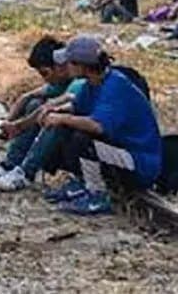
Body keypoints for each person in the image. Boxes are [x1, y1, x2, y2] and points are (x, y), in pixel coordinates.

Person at [37, 36, 161, 214]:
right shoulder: (93, 83)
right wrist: (54, 109)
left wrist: (62, 118)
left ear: (83, 66)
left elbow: (98, 125)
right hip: (118, 150)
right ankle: (80, 182)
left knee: (83, 139)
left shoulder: (115, 85)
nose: (64, 67)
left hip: (139, 161)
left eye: (69, 63)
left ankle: (97, 195)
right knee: (68, 126)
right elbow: (78, 106)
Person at [0, 37, 84, 190]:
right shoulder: (65, 81)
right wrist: (7, 122)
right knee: (35, 104)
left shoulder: (80, 83)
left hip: (87, 145)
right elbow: (29, 97)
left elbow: (50, 109)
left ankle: (26, 172)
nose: (65, 67)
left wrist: (17, 126)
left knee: (55, 120)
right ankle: (10, 165)